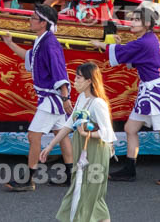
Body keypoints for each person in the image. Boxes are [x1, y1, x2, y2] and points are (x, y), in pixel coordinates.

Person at [94, 6, 160, 185]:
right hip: (149, 91)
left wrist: (101, 45)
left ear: (147, 23)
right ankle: (130, 169)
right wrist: (116, 47)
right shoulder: (147, 39)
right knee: (130, 128)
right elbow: (128, 53)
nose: (131, 23)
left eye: (135, 20)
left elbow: (122, 53)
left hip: (156, 93)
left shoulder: (144, 42)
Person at [2, 5, 73, 191]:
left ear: (43, 23)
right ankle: (70, 176)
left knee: (33, 136)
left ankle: (28, 179)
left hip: (52, 99)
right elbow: (29, 58)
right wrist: (10, 43)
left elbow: (59, 72)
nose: (30, 20)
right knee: (61, 136)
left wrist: (66, 98)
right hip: (54, 98)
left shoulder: (49, 43)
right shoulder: (42, 40)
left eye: (33, 18)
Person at [40, 62, 115, 222]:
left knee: (90, 196)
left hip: (95, 152)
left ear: (89, 81)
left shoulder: (98, 103)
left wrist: (85, 132)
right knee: (83, 193)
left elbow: (108, 133)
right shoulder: (82, 98)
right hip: (83, 151)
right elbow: (68, 125)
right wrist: (51, 145)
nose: (74, 81)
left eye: (78, 77)